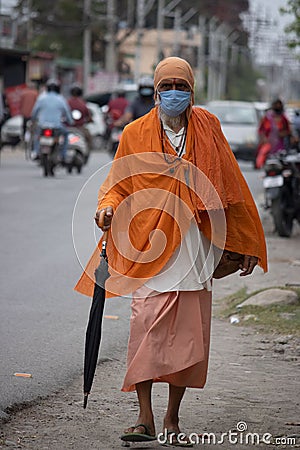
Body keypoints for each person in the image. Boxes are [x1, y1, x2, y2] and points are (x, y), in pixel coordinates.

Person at [75, 57, 267, 446]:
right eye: (167, 86)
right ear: (156, 90)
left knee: (187, 337)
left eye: (181, 86)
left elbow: (231, 182)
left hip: (195, 247)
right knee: (145, 325)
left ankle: (172, 419)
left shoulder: (208, 127)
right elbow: (117, 184)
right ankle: (144, 418)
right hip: (149, 247)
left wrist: (244, 241)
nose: (174, 93)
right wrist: (107, 207)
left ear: (192, 90)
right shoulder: (134, 132)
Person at [31, 79, 73, 161]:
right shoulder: (61, 99)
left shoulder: (41, 98)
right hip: (57, 126)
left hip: (42, 125)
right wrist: (70, 121)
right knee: (66, 134)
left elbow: (35, 111)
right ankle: (63, 155)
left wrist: (33, 120)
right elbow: (67, 112)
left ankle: (36, 152)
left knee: (37, 135)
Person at [256, 98, 292, 168]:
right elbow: (261, 130)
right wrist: (264, 138)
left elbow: (288, 131)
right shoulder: (267, 117)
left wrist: (282, 134)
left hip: (280, 145)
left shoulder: (284, 119)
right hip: (268, 144)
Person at [67, 84, 93, 150]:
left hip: (67, 127)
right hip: (80, 128)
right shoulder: (83, 104)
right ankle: (87, 151)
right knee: (89, 139)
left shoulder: (67, 102)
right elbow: (89, 117)